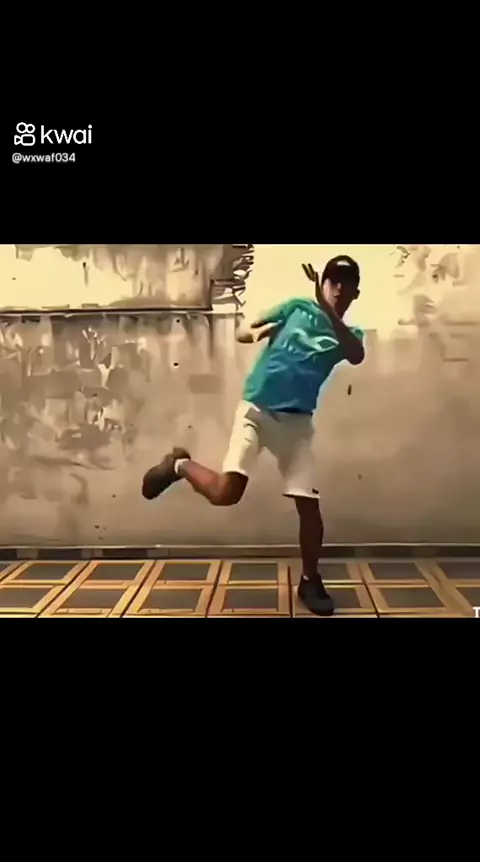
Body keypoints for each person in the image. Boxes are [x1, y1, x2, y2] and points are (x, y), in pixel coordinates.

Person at [142, 255, 365, 616]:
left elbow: (355, 355)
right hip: (256, 410)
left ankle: (310, 581)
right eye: (333, 280)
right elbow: (244, 331)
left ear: (355, 292)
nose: (338, 288)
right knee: (226, 494)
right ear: (324, 282)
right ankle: (179, 465)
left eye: (347, 282)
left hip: (295, 425)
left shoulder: (349, 336)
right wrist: (261, 333)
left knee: (309, 506)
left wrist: (325, 307)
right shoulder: (297, 307)